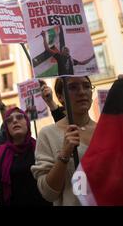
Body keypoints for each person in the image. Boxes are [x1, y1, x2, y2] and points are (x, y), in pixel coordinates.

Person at [31, 76, 97, 205]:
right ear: (60, 97)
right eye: (73, 87)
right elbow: (48, 193)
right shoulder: (47, 134)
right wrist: (64, 154)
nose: (82, 92)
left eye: (87, 86)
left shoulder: (105, 130)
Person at [0, 107, 51, 206]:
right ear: (7, 128)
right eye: (9, 120)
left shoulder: (40, 147)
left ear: (27, 123)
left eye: (19, 117)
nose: (15, 121)